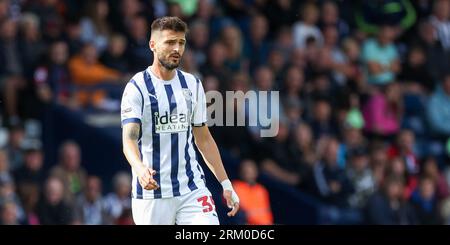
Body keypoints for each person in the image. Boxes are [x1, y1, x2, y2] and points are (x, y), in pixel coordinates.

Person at [120, 16, 239, 225]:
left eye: (181, 43)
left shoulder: (192, 84)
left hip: (191, 188)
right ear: (153, 45)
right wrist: (139, 169)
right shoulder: (136, 87)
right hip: (152, 193)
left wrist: (226, 183)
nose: (177, 49)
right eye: (170, 42)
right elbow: (129, 139)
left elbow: (203, 139)